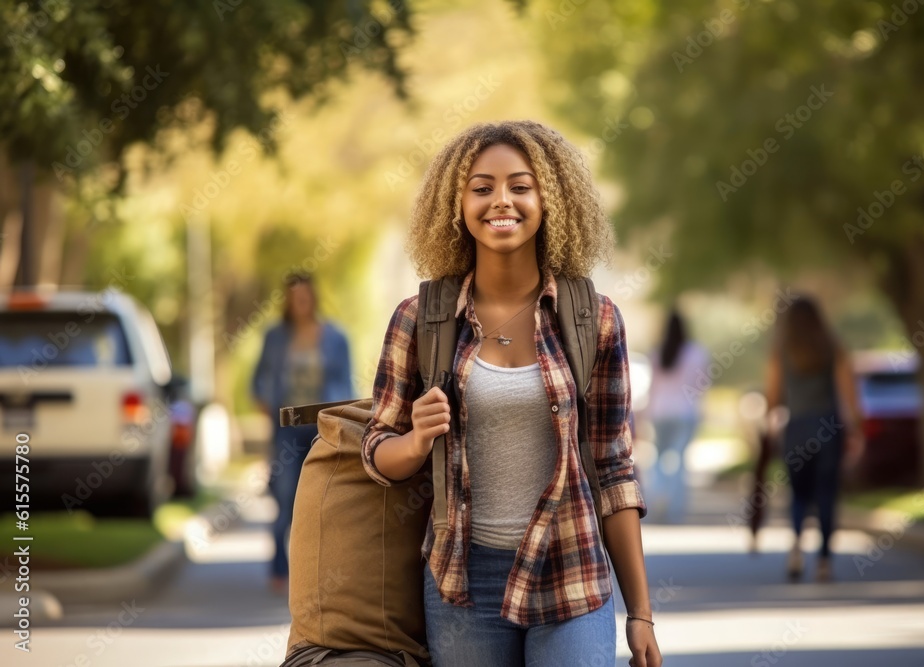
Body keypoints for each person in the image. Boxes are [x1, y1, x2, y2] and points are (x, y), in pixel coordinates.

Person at [360, 121, 662, 667]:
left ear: (551, 199)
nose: (502, 201)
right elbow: (378, 447)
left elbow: (615, 469)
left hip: (570, 570)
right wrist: (417, 440)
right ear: (456, 204)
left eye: (521, 186)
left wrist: (640, 612)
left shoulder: (595, 321)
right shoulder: (420, 319)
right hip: (462, 584)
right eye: (482, 188)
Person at [252, 273, 353, 593]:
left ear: (313, 297)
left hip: (320, 426)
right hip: (286, 428)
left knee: (321, 501)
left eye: (305, 297)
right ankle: (280, 571)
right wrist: (266, 404)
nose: (300, 303)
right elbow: (258, 380)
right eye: (294, 298)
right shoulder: (275, 337)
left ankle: (316, 572)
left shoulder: (336, 337)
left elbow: (347, 385)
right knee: (285, 498)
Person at [764, 296, 864, 583]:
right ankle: (824, 562)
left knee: (798, 494)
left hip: (796, 428)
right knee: (826, 495)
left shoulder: (782, 350)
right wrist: (858, 426)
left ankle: (796, 547)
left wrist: (769, 423)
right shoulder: (832, 346)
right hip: (829, 428)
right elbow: (849, 390)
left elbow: (772, 396)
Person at [642, 309, 708, 524]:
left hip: (660, 412)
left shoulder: (658, 352)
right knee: (680, 461)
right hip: (685, 413)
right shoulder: (697, 353)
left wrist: (646, 414)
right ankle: (675, 508)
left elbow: (652, 387)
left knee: (659, 460)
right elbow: (702, 385)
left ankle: (656, 499)